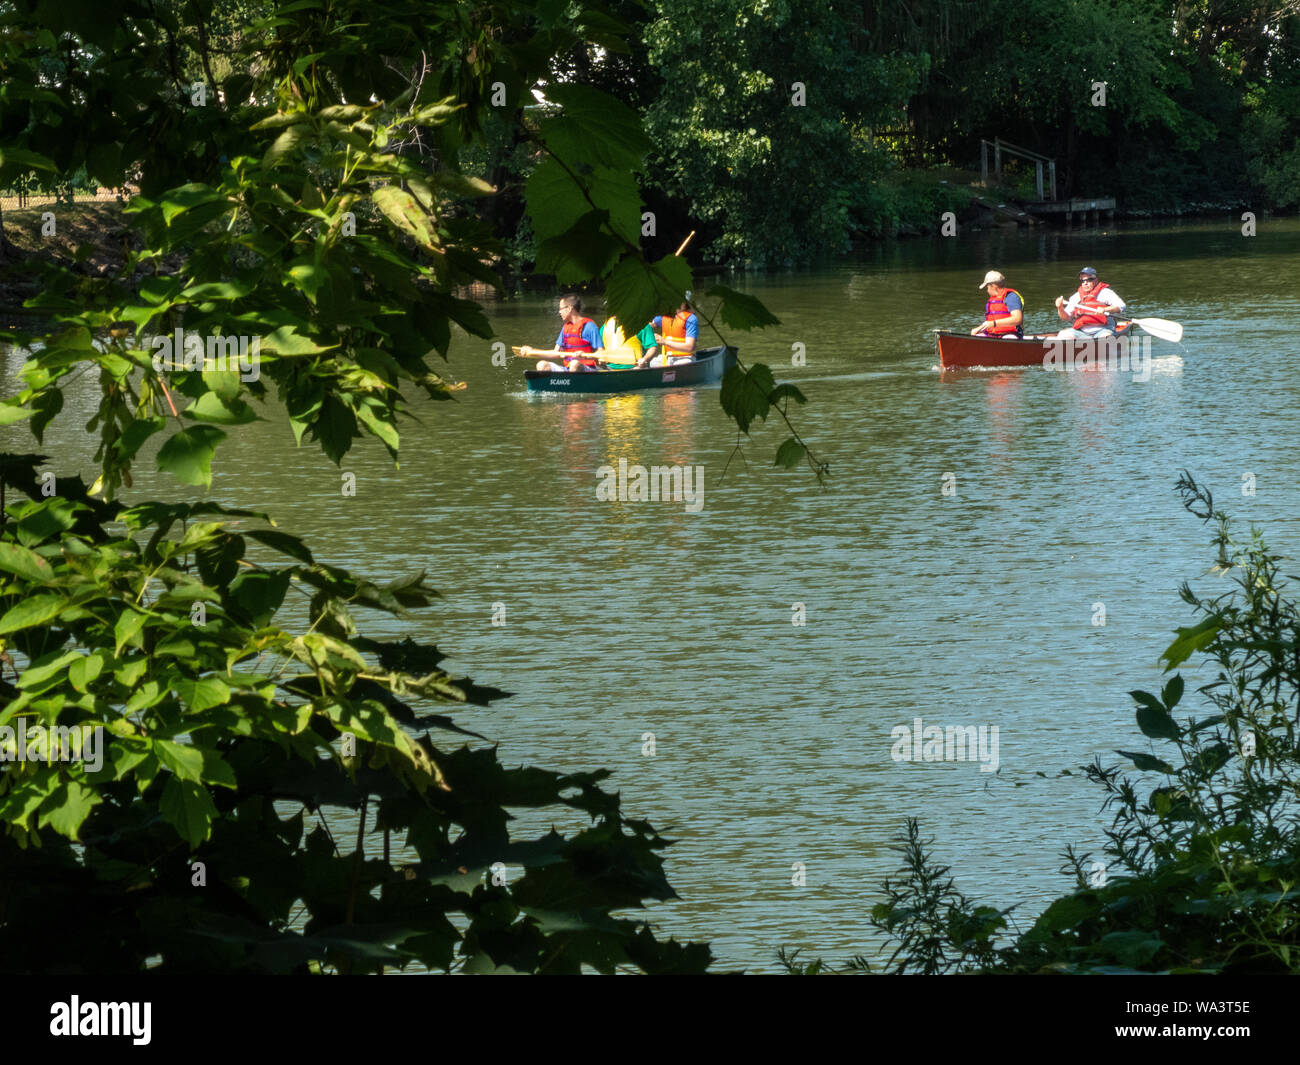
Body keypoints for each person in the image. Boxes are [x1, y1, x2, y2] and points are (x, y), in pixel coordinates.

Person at [520, 294, 604, 371]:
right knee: (542, 365)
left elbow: (600, 353)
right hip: (568, 369)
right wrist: (532, 352)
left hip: (588, 369)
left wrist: (585, 355)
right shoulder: (566, 328)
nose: (559, 312)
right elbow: (556, 353)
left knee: (574, 364)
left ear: (569, 308)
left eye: (561, 309)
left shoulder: (589, 326)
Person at [1055, 267, 1125, 338]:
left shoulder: (1105, 293)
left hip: (1104, 329)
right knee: (1062, 334)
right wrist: (1060, 308)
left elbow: (1121, 306)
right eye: (1083, 280)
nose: (1085, 283)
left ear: (1096, 280)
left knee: (1105, 337)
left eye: (1089, 280)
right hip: (1082, 332)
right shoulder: (1076, 297)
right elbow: (1066, 318)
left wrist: (1105, 309)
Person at [636, 297, 698, 368]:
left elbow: (689, 347)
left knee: (681, 366)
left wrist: (665, 342)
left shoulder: (691, 319)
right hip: (666, 357)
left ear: (685, 304)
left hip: (685, 358)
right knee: (648, 364)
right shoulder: (664, 316)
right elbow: (646, 326)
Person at [971, 271, 1024, 339]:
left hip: (1010, 335)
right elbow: (989, 324)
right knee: (975, 334)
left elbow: (1018, 319)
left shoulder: (1011, 297)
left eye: (987, 287)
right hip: (993, 335)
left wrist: (994, 323)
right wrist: (978, 329)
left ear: (993, 286)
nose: (987, 290)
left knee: (1009, 338)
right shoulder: (993, 300)